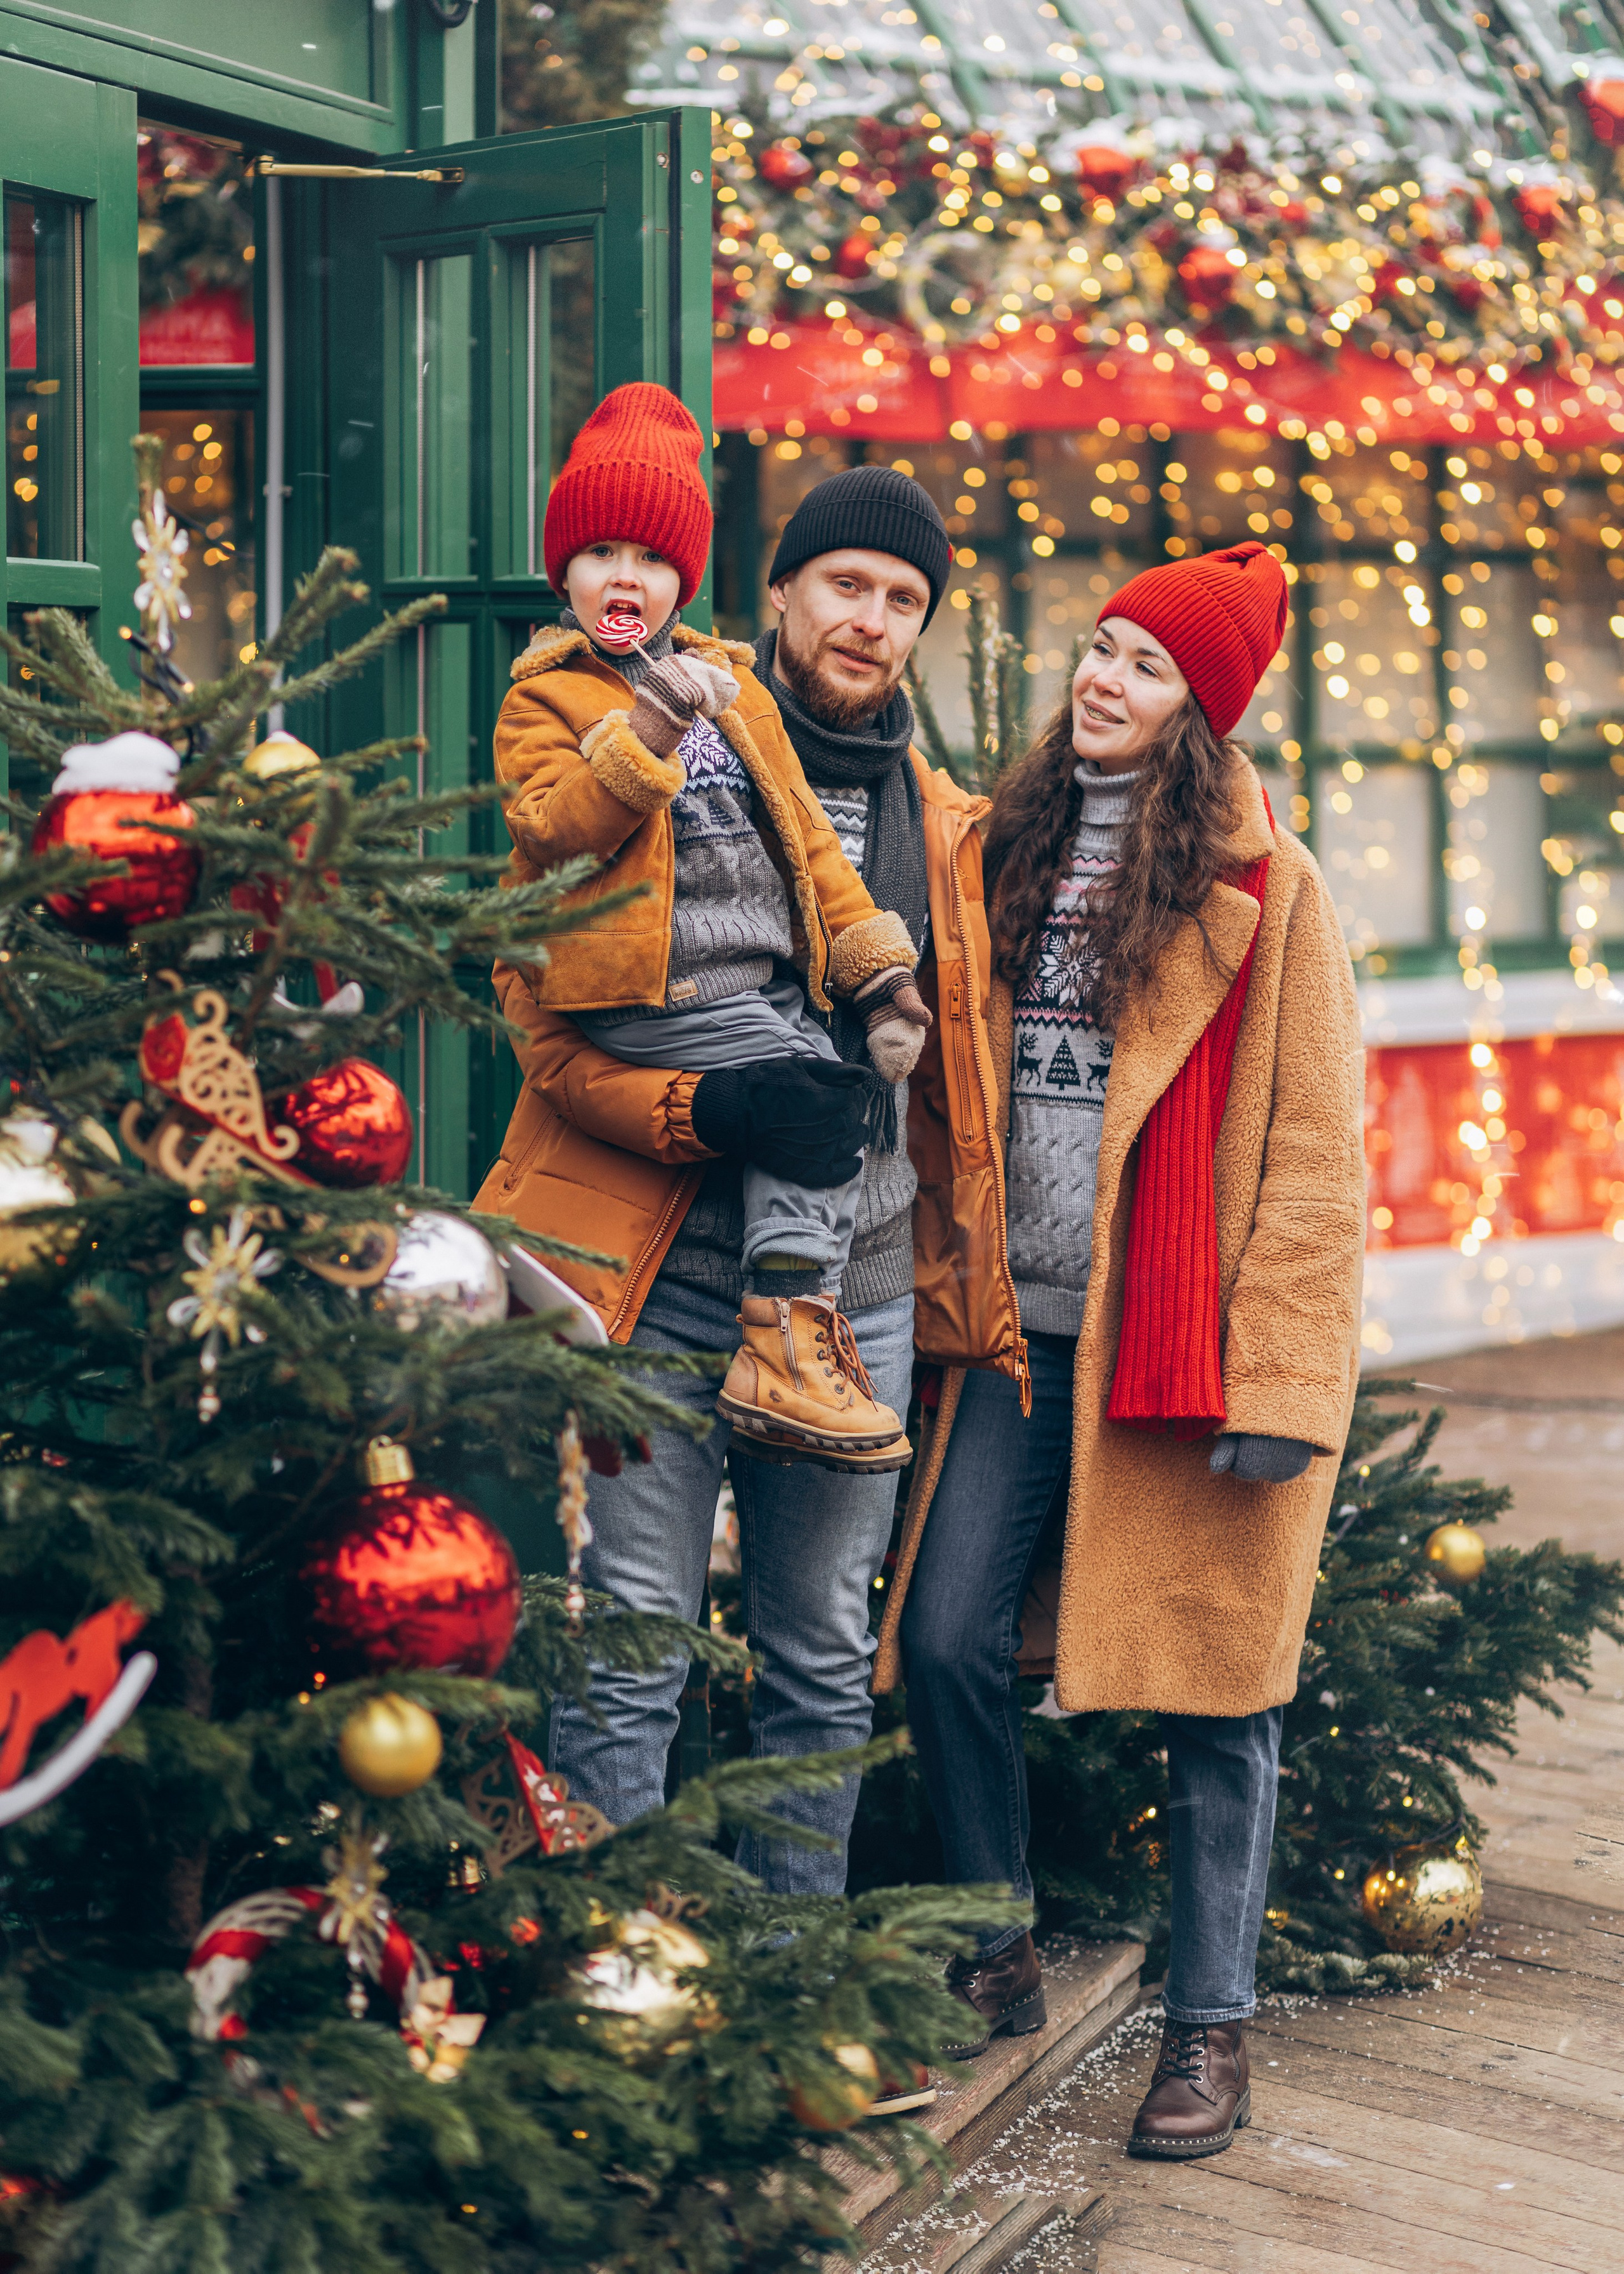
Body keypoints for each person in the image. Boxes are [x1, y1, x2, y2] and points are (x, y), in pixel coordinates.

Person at [872, 541, 1365, 2161]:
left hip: (1178, 1348)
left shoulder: (1264, 891)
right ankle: (998, 1934)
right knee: (942, 1639)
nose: (1101, 678)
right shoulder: (990, 845)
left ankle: (1207, 2029)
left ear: (1197, 710)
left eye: (1145, 666)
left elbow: (1310, 1159)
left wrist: (1286, 1391)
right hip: (1015, 1333)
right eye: (1097, 648)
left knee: (1215, 1695)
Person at [473, 446, 989, 1909]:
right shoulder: (627, 734)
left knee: (822, 1661)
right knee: (634, 1643)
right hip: (655, 1271)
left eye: (902, 597)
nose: (870, 618)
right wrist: (716, 1107)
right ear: (771, 595)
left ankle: (789, 1996)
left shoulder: (942, 828)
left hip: (857, 1295)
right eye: (844, 582)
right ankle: (618, 1984)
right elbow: (556, 1050)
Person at [506, 384, 930, 1466]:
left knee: (821, 1092)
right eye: (600, 553)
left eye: (650, 559)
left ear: (682, 580)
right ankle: (786, 1333)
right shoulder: (546, 698)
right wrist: (648, 727)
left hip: (743, 990)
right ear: (565, 576)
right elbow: (553, 830)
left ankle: (789, 1325)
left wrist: (880, 975)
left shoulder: (730, 687)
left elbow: (810, 851)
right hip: (646, 995)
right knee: (807, 1098)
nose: (625, 577)